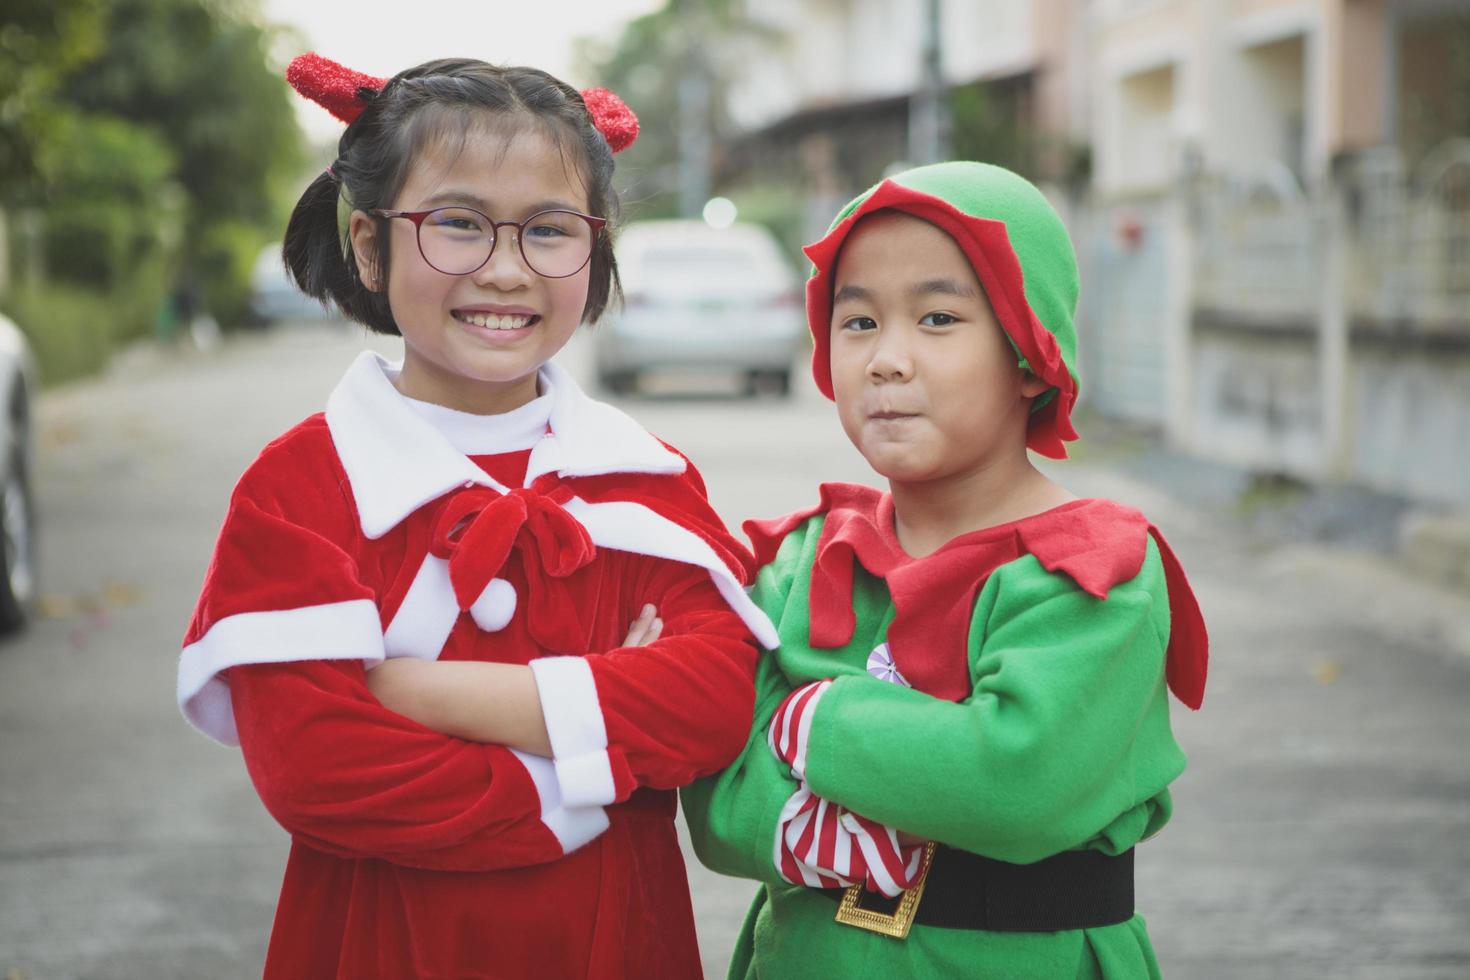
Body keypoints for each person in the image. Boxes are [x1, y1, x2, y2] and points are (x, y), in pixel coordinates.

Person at [176, 53, 776, 979]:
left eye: (548, 230)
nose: (504, 271)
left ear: (596, 244)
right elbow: (320, 767)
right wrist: (591, 763)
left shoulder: (645, 478)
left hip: (618, 946)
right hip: (377, 947)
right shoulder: (299, 490)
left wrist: (415, 693)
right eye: (457, 224)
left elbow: (710, 706)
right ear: (370, 246)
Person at [682, 161, 1209, 979]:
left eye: (936, 318)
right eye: (856, 323)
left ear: (1032, 357)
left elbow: (1012, 781)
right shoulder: (804, 557)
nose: (887, 360)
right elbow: (716, 800)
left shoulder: (1091, 572)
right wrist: (918, 784)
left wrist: (810, 718)